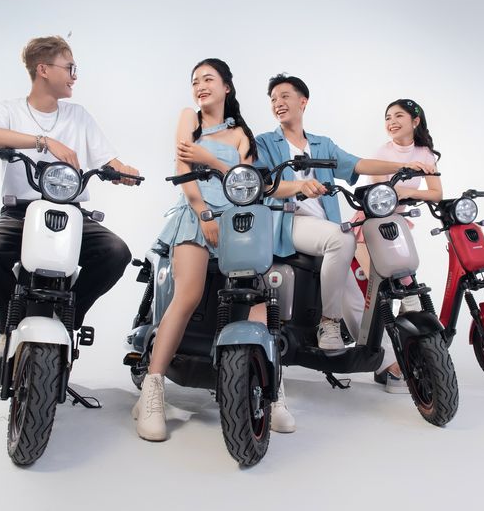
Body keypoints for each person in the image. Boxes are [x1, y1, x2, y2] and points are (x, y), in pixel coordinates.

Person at [131, 59, 298, 441]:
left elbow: (247, 182)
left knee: (259, 299)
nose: (200, 86)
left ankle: (272, 390)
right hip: (196, 214)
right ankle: (152, 391)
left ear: (226, 87)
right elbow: (184, 170)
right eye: (195, 81)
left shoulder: (241, 134)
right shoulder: (189, 118)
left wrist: (209, 160)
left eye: (208, 79)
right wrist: (204, 211)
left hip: (236, 219)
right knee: (187, 294)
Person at [0, 36, 140, 363]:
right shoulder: (8, 110)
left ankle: (68, 316)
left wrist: (123, 171)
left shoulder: (78, 115)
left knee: (116, 253)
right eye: (69, 68)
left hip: (71, 214)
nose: (75, 76)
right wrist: (43, 141)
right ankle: (9, 322)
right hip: (20, 214)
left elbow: (108, 160)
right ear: (43, 69)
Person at [255, 74, 436, 357]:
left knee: (352, 295)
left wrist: (402, 167)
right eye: (273, 99)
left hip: (324, 227)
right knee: (342, 239)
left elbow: (358, 164)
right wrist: (299, 186)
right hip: (287, 222)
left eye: (285, 96)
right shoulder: (265, 142)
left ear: (303, 102)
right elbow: (263, 184)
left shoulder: (322, 144)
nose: (278, 102)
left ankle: (387, 362)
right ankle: (329, 322)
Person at [350, 98, 443, 393]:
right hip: (370, 225)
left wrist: (401, 192)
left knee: (409, 292)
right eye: (388, 117)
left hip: (397, 226)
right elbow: (379, 192)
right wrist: (404, 191)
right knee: (379, 290)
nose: (391, 122)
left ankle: (410, 354)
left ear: (415, 121)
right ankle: (387, 362)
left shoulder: (425, 154)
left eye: (398, 116)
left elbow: (437, 193)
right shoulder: (383, 153)